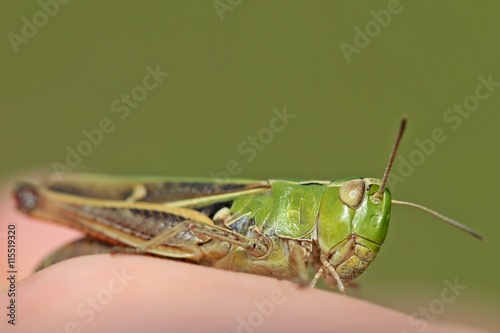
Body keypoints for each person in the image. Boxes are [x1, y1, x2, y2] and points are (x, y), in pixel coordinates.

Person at [0, 186, 488, 333]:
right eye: (355, 196)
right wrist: (128, 251)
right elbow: (199, 230)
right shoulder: (278, 217)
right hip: (143, 232)